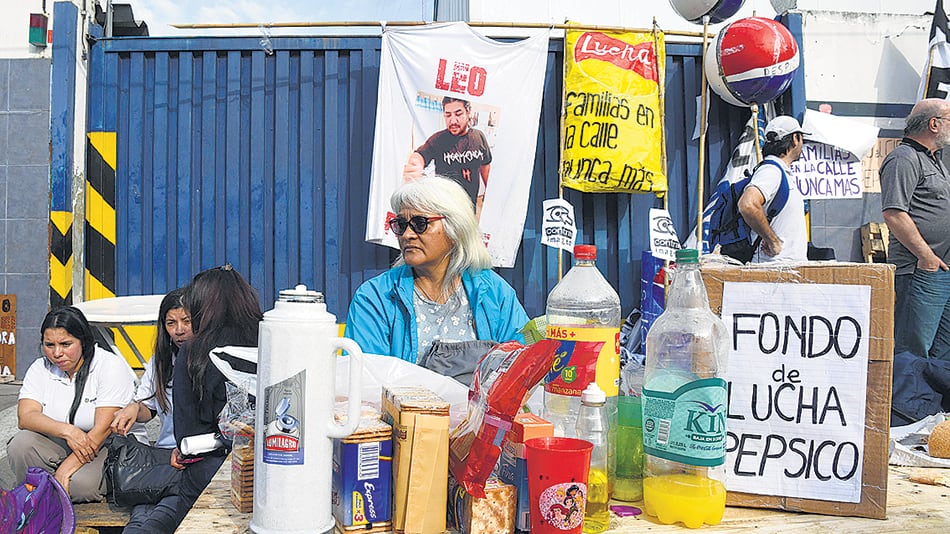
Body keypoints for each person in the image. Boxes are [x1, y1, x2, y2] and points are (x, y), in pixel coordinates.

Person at [346, 176, 528, 365]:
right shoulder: (375, 298)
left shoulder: (494, 292)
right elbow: (366, 374)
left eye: (420, 224)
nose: (407, 235)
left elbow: (522, 363)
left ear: (455, 228)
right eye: (401, 225)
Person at [8, 306, 143, 503]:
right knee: (21, 444)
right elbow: (26, 416)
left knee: (79, 485)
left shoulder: (109, 365)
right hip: (66, 442)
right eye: (49, 345)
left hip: (106, 444)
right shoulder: (40, 367)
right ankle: (36, 499)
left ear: (83, 341)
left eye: (66, 344)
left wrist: (64, 471)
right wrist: (68, 431)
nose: (57, 353)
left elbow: (103, 429)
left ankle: (50, 489)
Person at [110, 288, 193, 533]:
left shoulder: (210, 359)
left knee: (160, 514)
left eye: (186, 321)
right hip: (164, 457)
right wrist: (134, 409)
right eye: (171, 323)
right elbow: (149, 408)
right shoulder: (162, 360)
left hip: (193, 459)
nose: (179, 330)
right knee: (141, 513)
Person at [880, 98, 950, 361]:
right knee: (913, 349)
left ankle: (933, 391)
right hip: (920, 271)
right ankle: (908, 391)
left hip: (942, 269)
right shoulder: (903, 158)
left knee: (941, 351)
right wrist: (926, 257)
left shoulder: (935, 160)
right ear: (934, 124)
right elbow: (894, 213)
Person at [403, 97, 492, 218]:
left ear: (468, 113)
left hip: (470, 206)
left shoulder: (479, 137)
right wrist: (415, 164)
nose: (453, 120)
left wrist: (490, 192)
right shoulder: (438, 139)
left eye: (458, 114)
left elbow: (485, 166)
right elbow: (420, 155)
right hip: (444, 207)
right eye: (448, 115)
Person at [737, 115, 809, 263]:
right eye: (802, 139)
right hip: (773, 269)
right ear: (795, 138)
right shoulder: (771, 170)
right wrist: (772, 240)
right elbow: (747, 204)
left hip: (783, 269)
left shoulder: (779, 171)